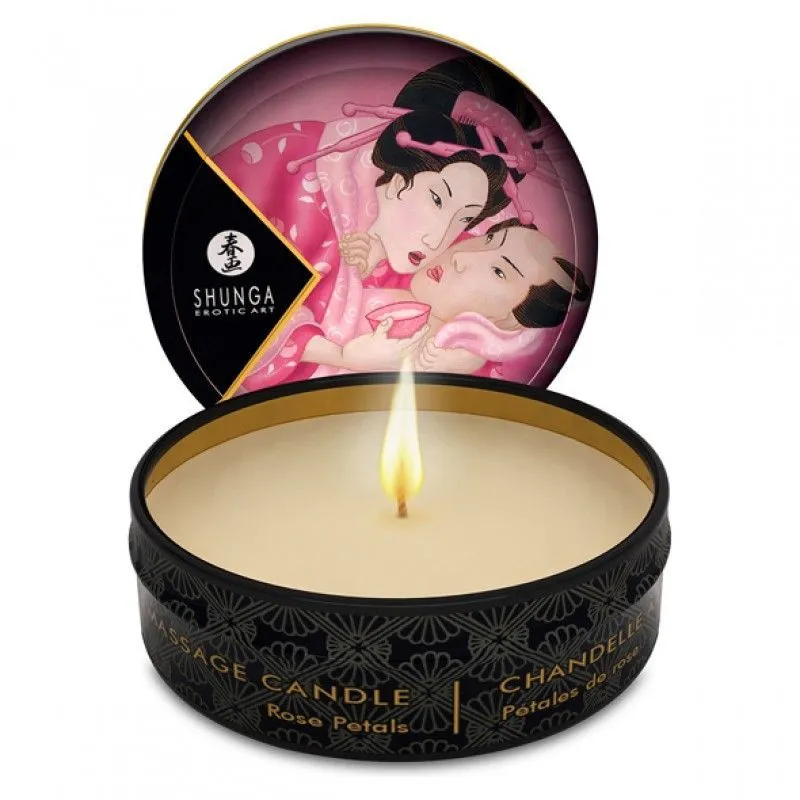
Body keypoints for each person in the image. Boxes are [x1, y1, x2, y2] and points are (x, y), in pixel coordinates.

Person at [237, 219, 590, 390]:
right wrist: (374, 259)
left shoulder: (452, 357)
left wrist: (342, 356)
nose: (463, 257)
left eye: (499, 271)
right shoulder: (401, 269)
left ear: (511, 321)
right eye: (489, 238)